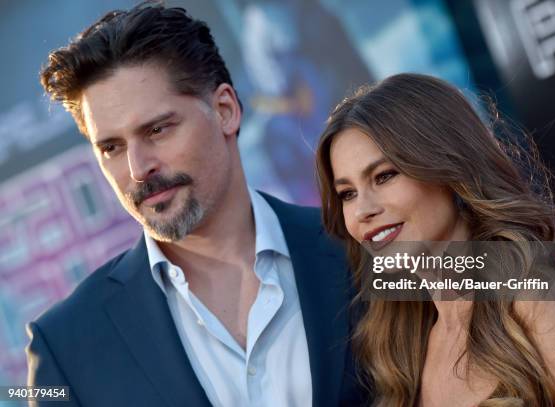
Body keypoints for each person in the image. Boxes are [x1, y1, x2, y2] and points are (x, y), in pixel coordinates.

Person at [29, 3, 366, 406]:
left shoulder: (364, 249)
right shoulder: (65, 346)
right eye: (111, 148)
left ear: (225, 110)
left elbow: (461, 290)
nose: (138, 169)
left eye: (157, 129)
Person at [315, 73, 555, 406]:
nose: (362, 211)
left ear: (447, 166)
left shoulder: (540, 291)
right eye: (347, 193)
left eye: (384, 176)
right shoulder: (401, 344)